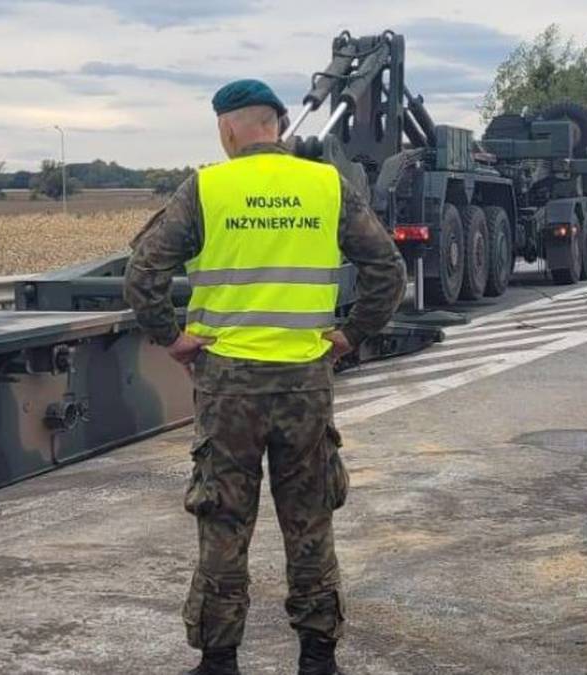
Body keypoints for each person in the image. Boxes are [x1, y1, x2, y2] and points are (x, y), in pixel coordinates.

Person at [123, 79, 406, 675]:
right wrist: (352, 334)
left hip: (227, 384)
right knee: (309, 520)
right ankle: (318, 657)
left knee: (224, 520)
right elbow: (386, 267)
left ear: (228, 128)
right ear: (275, 124)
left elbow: (143, 271)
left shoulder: (208, 186)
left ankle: (220, 660)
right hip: (305, 381)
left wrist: (171, 337)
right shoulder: (328, 185)